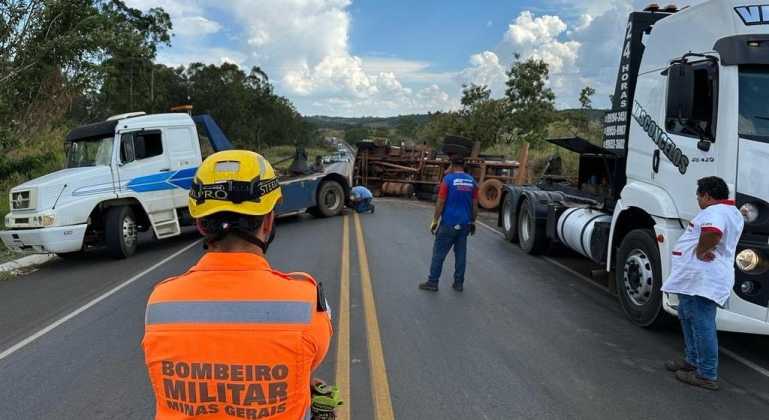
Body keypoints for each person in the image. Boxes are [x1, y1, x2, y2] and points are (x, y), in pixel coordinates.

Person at [142, 150, 336, 419]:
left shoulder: (160, 302)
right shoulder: (306, 301)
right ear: (267, 222)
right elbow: (305, 361)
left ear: (200, 224)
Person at [661, 176, 744, 391]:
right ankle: (692, 360)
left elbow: (712, 232)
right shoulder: (729, 211)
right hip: (695, 278)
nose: (697, 199)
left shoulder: (714, 212)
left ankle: (706, 373)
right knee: (688, 315)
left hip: (702, 278)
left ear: (707, 196)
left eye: (698, 195)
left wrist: (699, 250)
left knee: (701, 322)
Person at [419, 154, 478, 292]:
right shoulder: (472, 181)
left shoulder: (448, 180)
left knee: (439, 253)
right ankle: (458, 283)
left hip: (449, 223)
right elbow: (475, 203)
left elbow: (441, 201)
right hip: (464, 223)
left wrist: (435, 219)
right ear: (463, 166)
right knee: (461, 253)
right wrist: (473, 222)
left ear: (452, 165)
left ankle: (433, 282)